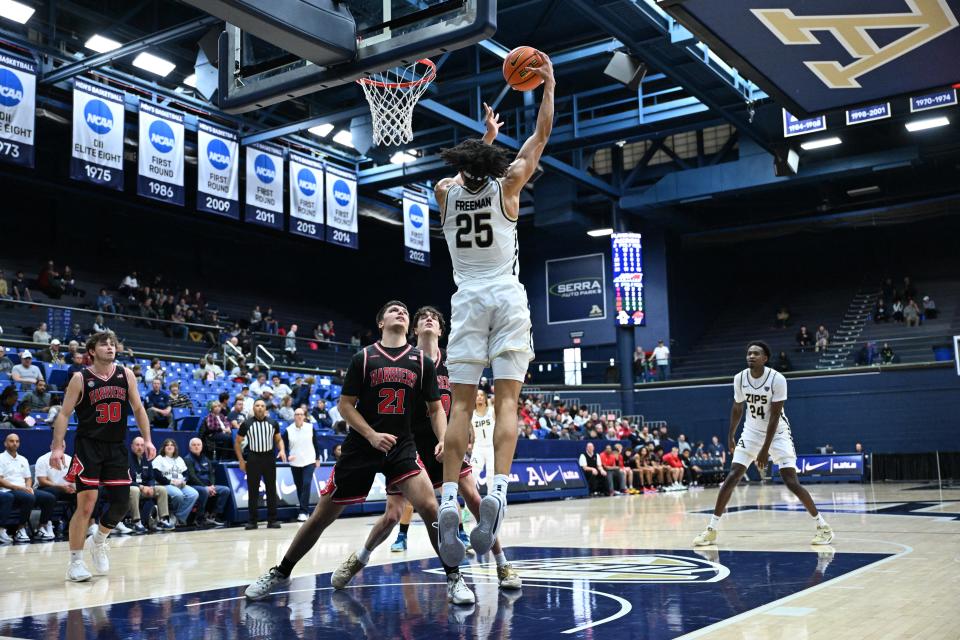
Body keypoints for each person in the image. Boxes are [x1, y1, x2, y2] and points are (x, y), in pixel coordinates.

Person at [244, 301, 476, 605]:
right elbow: (344, 406)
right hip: (361, 446)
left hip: (401, 445)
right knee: (320, 516)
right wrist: (370, 434)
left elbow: (435, 409)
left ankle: (453, 576)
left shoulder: (422, 362)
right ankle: (281, 571)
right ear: (380, 322)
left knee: (431, 508)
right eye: (393, 310)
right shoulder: (364, 358)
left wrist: (444, 437)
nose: (400, 312)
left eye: (404, 311)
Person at [434, 54, 555, 566]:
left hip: (466, 299)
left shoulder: (443, 193)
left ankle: (447, 501)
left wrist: (482, 141)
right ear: (493, 166)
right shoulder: (509, 186)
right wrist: (548, 85)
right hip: (505, 294)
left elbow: (465, 176)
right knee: (506, 401)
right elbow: (541, 138)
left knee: (460, 406)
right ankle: (499, 493)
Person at [385, 307, 521, 588]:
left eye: (434, 317)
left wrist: (452, 437)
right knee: (396, 512)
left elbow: (463, 405)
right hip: (411, 443)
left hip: (447, 441)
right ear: (415, 328)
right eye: (422, 317)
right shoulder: (405, 360)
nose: (429, 319)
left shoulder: (454, 361)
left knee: (474, 496)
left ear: (441, 330)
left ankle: (501, 562)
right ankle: (367, 556)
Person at [693, 341, 833, 547]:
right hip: (751, 432)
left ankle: (823, 527)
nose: (751, 356)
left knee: (791, 481)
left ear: (765, 358)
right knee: (732, 477)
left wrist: (765, 450)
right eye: (749, 353)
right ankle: (711, 530)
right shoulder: (740, 378)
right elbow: (737, 408)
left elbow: (775, 416)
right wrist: (731, 435)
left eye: (756, 353)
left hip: (777, 434)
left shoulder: (777, 379)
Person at [50, 330, 156, 581]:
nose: (110, 348)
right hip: (89, 446)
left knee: (122, 503)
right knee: (86, 505)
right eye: (104, 344)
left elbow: (139, 408)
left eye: (113, 344)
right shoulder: (80, 378)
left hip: (117, 446)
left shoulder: (125, 374)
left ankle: (99, 540)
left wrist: (149, 439)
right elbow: (64, 414)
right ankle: (75, 562)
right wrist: (57, 446)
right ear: (91, 351)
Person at [234, 399, 287, 530]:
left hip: (269, 458)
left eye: (262, 406)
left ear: (265, 409)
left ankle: (272, 520)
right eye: (257, 405)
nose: (260, 408)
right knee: (253, 491)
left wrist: (282, 450)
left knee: (271, 489)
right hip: (253, 458)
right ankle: (252, 521)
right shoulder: (246, 424)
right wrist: (241, 460)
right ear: (253, 408)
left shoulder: (273, 423)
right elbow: (237, 443)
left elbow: (279, 439)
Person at [0, 433, 57, 542]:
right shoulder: (0, 458)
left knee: (49, 498)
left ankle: (41, 527)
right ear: (5, 443)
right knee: (29, 498)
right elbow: (0, 480)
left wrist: (28, 487)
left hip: (23, 489)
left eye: (17, 441)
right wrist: (19, 488)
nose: (14, 443)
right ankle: (20, 529)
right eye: (11, 441)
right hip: (8, 490)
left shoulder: (23, 459)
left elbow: (28, 478)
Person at [283, 408, 320, 522]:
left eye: (301, 414)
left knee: (306, 484)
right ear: (294, 416)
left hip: (309, 461)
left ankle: (303, 511)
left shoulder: (310, 428)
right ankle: (304, 510)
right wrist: (288, 455)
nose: (299, 416)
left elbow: (315, 443)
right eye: (297, 414)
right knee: (299, 486)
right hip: (295, 462)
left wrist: (317, 458)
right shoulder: (288, 430)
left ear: (304, 416)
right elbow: (283, 446)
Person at [128, 436, 172, 533]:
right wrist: (141, 487)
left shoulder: (146, 460)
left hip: (146, 489)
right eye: (137, 445)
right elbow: (125, 479)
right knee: (134, 490)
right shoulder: (126, 459)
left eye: (142, 445)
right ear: (132, 446)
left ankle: (163, 519)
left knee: (161, 489)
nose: (140, 447)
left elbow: (152, 477)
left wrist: (151, 487)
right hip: (132, 488)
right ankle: (136, 522)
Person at [152, 438, 200, 527]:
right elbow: (156, 475)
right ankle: (172, 515)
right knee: (178, 495)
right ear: (164, 447)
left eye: (172, 445)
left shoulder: (179, 459)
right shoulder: (159, 458)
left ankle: (177, 517)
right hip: (165, 484)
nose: (170, 447)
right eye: (167, 445)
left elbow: (186, 473)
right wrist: (171, 482)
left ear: (175, 448)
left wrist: (184, 481)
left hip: (180, 483)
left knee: (194, 494)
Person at [184, 438, 230, 527]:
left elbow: (211, 474)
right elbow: (192, 477)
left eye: (198, 445)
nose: (196, 447)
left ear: (202, 446)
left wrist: (212, 485)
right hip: (194, 486)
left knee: (225, 490)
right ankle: (199, 518)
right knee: (204, 491)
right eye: (194, 445)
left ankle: (213, 515)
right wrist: (206, 487)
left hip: (208, 486)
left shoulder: (205, 459)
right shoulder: (187, 459)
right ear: (190, 448)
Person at [34, 447, 75, 539]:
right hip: (45, 488)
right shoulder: (43, 459)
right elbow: (42, 481)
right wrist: (60, 487)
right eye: (57, 446)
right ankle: (45, 524)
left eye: (62, 446)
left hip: (65, 489)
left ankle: (75, 525)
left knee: (81, 494)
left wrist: (73, 487)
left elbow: (73, 479)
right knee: (53, 493)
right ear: (51, 447)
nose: (60, 448)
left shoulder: (70, 459)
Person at [469, 389, 496, 494]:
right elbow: (472, 433)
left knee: (491, 475)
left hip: (491, 447)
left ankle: (492, 503)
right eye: (477, 395)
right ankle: (468, 506)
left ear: (485, 398)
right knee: (472, 474)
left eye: (481, 395)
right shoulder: (471, 414)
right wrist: (470, 446)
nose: (479, 397)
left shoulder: (492, 411)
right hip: (478, 447)